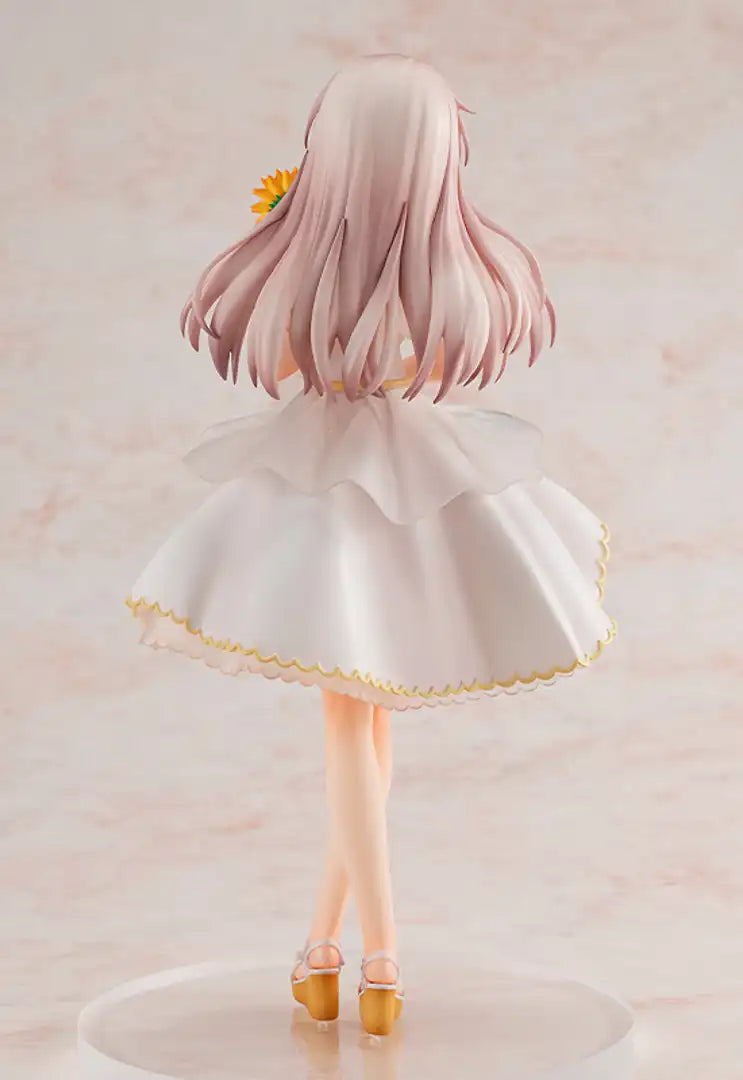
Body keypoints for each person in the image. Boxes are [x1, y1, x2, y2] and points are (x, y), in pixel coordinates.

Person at [125, 53, 616, 1037]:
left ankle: (348, 954)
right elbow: (438, 363)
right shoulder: (460, 274)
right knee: (365, 722)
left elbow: (290, 362)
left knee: (358, 724)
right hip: (406, 472)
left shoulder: (298, 261)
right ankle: (357, 956)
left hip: (323, 484)